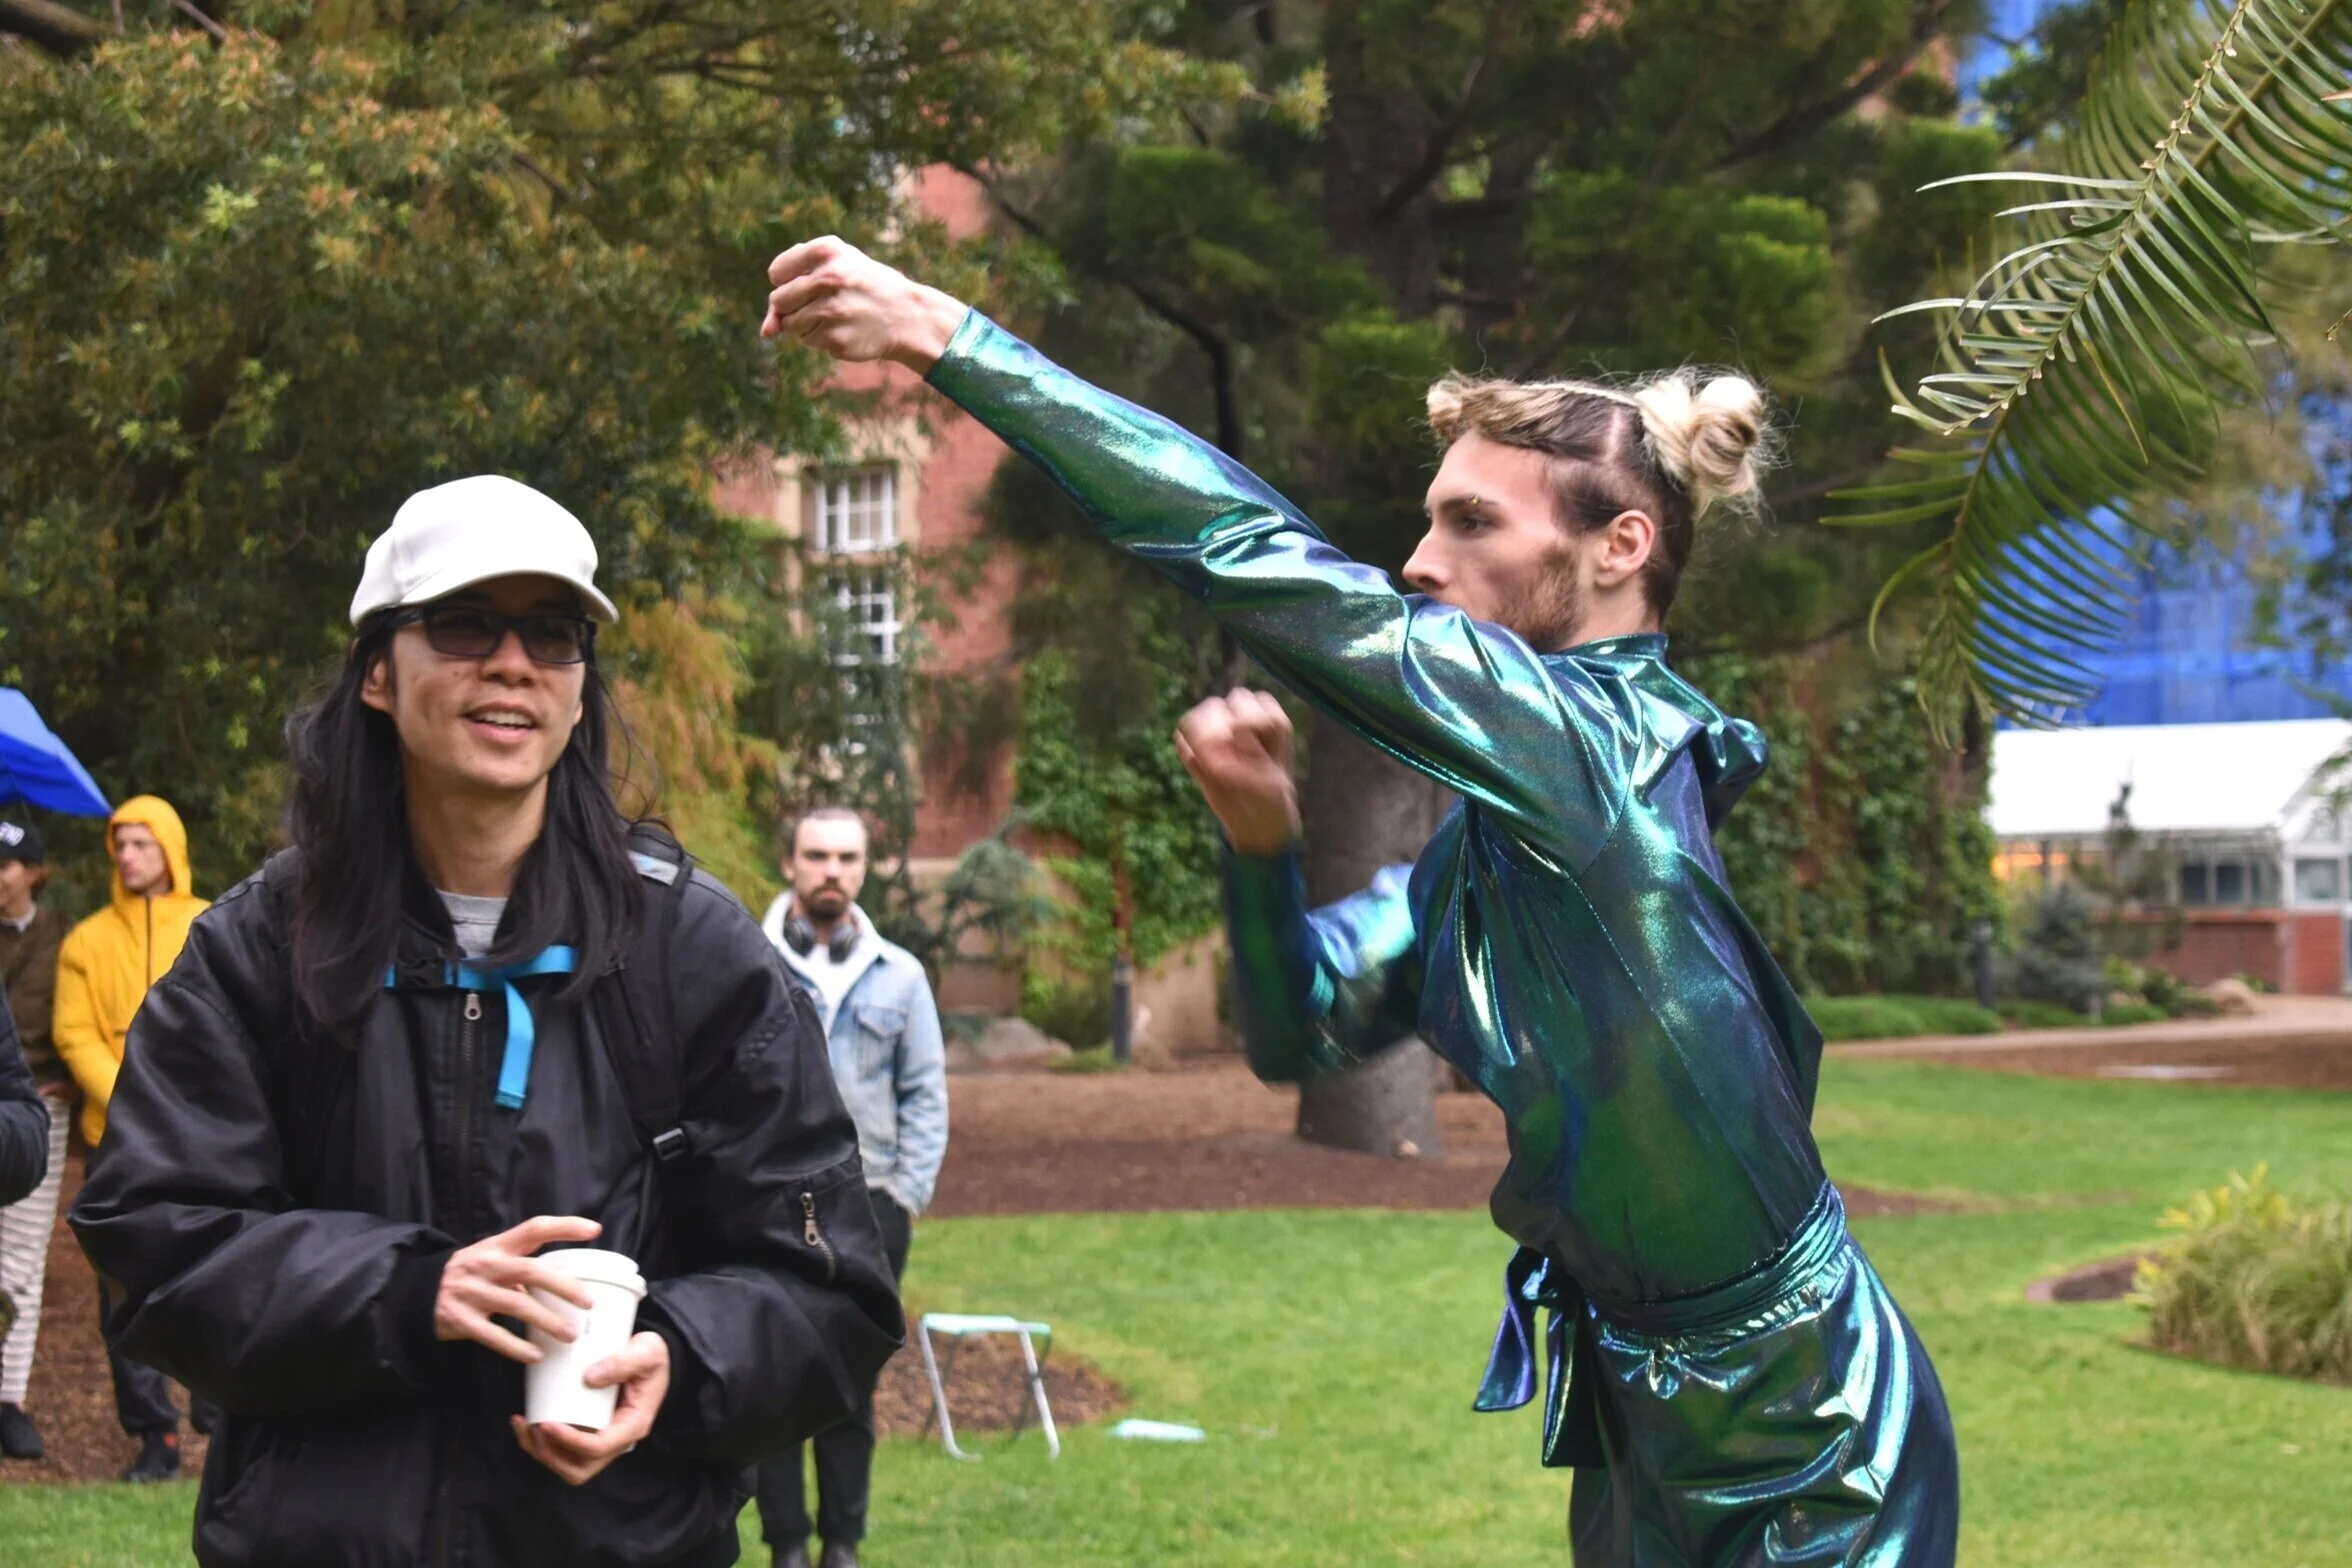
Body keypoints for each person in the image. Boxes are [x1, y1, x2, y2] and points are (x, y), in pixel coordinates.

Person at [761, 240, 1960, 1566]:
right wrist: (1263, 848)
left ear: (1620, 548)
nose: (1419, 560)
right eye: (1430, 516)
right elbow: (1299, 1031)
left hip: (1814, 1437)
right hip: (1641, 1412)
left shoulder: (1598, 752)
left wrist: (948, 336)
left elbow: (1243, 553)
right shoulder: (1487, 849)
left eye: (1472, 523)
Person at [71, 474, 903, 1566]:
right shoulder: (259, 948)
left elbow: (828, 1286)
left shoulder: (690, 954)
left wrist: (680, 1359)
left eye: (552, 633)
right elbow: (156, 1248)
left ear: (578, 684)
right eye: (465, 623)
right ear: (377, 670)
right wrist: (412, 1286)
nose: (512, 662)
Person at [753, 807, 947, 1568]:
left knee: (848, 1380)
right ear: (789, 864)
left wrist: (906, 1195)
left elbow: (926, 1092)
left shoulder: (900, 976)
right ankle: (787, 1545)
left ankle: (842, 1544)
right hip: (766, 1201)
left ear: (864, 869)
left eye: (847, 857)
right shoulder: (748, 961)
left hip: (870, 1204)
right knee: (769, 1373)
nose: (832, 869)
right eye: (817, 855)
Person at [52, 794, 212, 1479]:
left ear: (170, 850)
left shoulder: (212, 924)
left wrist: (191, 1096)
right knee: (124, 1283)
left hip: (207, 1134)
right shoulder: (86, 939)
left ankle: (222, 1404)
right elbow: (73, 1033)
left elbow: (230, 1020)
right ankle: (156, 1435)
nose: (127, 855)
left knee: (216, 1266)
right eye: (120, 844)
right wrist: (132, 1095)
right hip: (115, 1137)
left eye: (142, 843)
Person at [0, 819, 73, 1459]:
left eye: (8, 863)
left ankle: (9, 1399)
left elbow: (74, 1016)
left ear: (35, 872)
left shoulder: (61, 937)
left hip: (38, 1108)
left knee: (20, 1261)